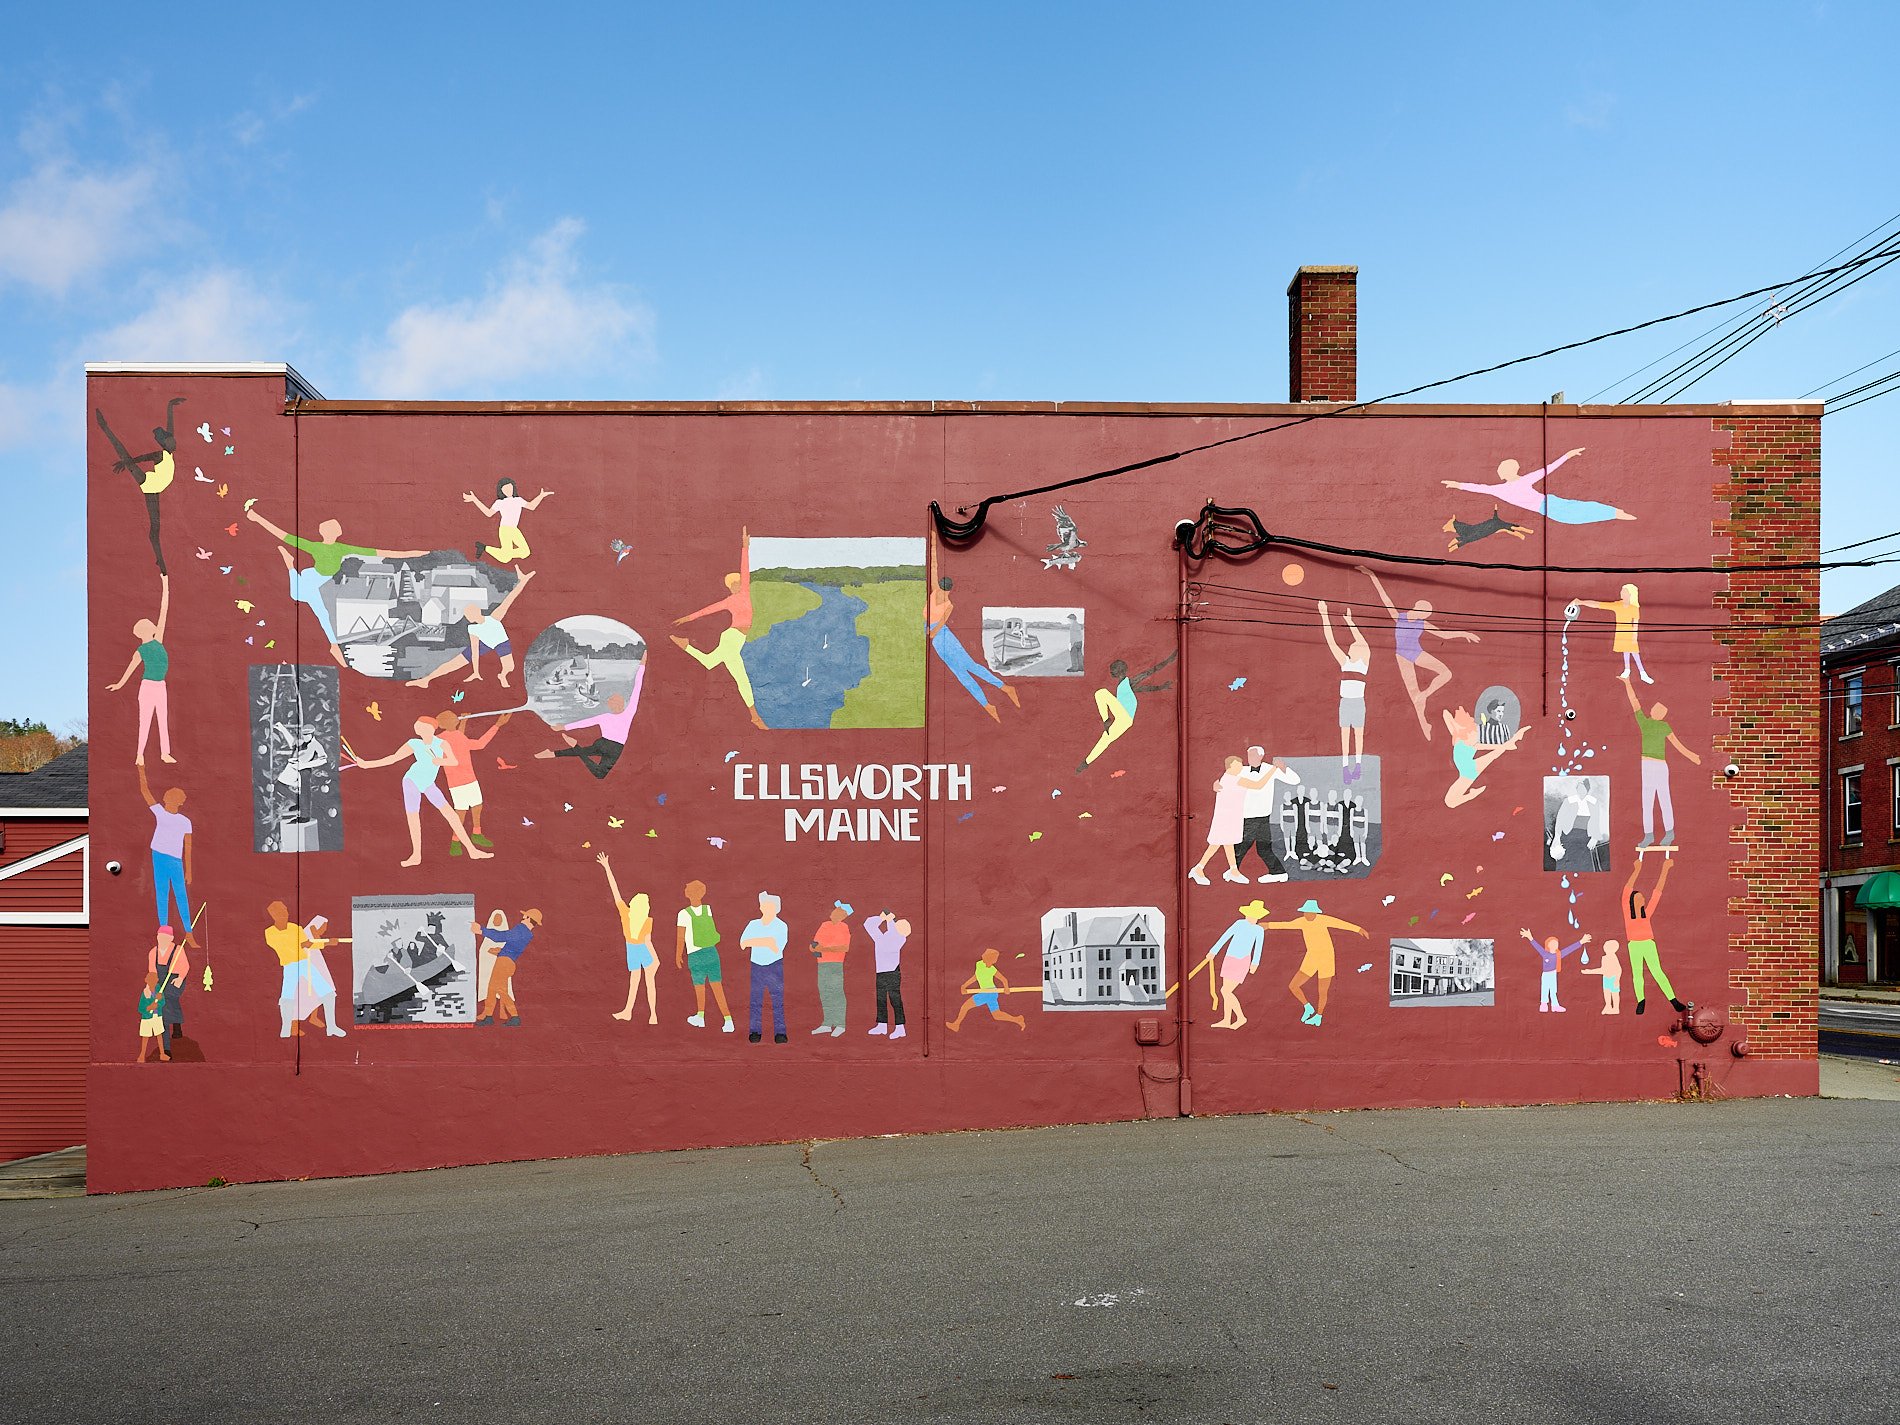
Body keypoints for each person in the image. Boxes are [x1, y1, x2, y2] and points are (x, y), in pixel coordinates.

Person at [244, 502, 430, 668]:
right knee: (311, 605)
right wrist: (257, 518)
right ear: (326, 532)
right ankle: (290, 565)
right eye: (333, 529)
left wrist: (413, 554)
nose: (336, 531)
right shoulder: (317, 547)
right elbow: (284, 536)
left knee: (320, 609)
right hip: (313, 581)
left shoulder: (342, 549)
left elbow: (381, 552)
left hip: (321, 583)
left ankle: (334, 646)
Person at [1357, 566, 1479, 740]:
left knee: (1446, 673)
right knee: (1413, 694)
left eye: (1426, 615)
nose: (1424, 617)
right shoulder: (1399, 616)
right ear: (1417, 608)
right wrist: (1373, 575)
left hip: (1417, 653)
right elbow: (1385, 598)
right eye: (1424, 613)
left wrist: (1464, 633)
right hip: (1402, 657)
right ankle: (1423, 722)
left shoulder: (1423, 623)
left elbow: (1443, 634)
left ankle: (1425, 695)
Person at [351, 717, 492, 866]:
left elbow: (453, 761)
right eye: (417, 726)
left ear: (431, 729)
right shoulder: (414, 744)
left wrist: (440, 761)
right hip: (411, 781)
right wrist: (367, 765)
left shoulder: (442, 744)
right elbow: (393, 758)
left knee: (451, 815)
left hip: (428, 783)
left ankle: (472, 850)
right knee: (413, 817)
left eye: (421, 726)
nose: (417, 728)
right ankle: (416, 856)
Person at [671, 525, 767, 730]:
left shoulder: (744, 594)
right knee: (741, 678)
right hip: (732, 638)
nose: (737, 585)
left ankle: (685, 645)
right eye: (734, 584)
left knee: (709, 663)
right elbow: (707, 610)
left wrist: (745, 546)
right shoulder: (730, 601)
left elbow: (745, 568)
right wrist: (688, 618)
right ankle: (755, 717)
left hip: (736, 639)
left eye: (739, 582)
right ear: (730, 587)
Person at [926, 535, 1020, 720]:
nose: (942, 594)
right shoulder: (937, 594)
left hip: (943, 637)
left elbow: (940, 626)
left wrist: (930, 633)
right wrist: (933, 543)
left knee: (969, 666)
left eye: (944, 592)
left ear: (947, 591)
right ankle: (987, 705)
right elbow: (934, 566)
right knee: (961, 674)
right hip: (937, 639)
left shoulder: (948, 604)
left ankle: (1004, 687)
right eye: (942, 591)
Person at [95, 397, 184, 573]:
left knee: (155, 527)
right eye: (171, 441)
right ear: (164, 443)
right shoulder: (160, 454)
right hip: (150, 484)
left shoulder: (168, 451)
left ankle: (160, 560)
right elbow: (140, 458)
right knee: (124, 454)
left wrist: (169, 406)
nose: (175, 442)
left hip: (156, 486)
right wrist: (125, 463)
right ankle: (105, 427)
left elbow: (170, 426)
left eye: (173, 440)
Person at [406, 570, 537, 688]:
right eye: (466, 614)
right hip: (485, 644)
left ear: (477, 612)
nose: (467, 616)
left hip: (501, 642)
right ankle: (427, 680)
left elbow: (510, 599)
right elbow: (474, 651)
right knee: (454, 663)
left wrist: (523, 581)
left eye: (468, 613)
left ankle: (502, 676)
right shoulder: (473, 629)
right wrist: (475, 671)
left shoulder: (494, 617)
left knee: (509, 668)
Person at [1441, 446, 1634, 525]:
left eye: (1502, 469)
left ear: (1509, 471)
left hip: (1553, 505)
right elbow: (1479, 487)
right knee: (1578, 516)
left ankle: (1616, 513)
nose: (1500, 472)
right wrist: (1457, 484)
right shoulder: (1500, 489)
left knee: (1583, 509)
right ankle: (1615, 513)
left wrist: (1567, 455)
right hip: (1550, 510)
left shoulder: (1519, 482)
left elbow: (1547, 469)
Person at [536, 654, 646, 780]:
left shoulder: (606, 716)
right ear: (619, 704)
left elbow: (585, 722)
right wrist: (642, 665)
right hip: (615, 748)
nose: (618, 703)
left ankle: (553, 754)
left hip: (602, 743)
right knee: (599, 774)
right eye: (616, 701)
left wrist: (563, 727)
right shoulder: (629, 712)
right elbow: (638, 687)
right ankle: (573, 746)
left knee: (586, 752)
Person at [106, 573, 175, 764]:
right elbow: (130, 669)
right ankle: (139, 755)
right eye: (152, 625)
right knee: (145, 721)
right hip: (148, 687)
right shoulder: (141, 650)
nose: (155, 625)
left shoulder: (158, 640)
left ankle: (164, 753)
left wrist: (165, 583)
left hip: (161, 686)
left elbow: (164, 609)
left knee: (163, 719)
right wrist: (119, 685)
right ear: (146, 630)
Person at [1623, 679, 1701, 847]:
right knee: (1648, 801)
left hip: (1659, 765)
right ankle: (1649, 835)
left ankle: (1669, 833)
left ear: (1661, 714)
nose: (1656, 709)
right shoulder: (1645, 723)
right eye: (1656, 707)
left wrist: (1692, 756)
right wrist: (1627, 683)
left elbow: (1677, 744)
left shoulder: (1663, 726)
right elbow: (1634, 701)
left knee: (1663, 798)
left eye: (1659, 709)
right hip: (1647, 765)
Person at [1267, 900, 1368, 1028]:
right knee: (1293, 985)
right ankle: (1308, 1007)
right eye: (1305, 912)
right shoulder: (1301, 922)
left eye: (1309, 912)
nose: (1306, 915)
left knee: (1322, 991)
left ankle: (1318, 1016)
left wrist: (1358, 929)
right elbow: (1286, 925)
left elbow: (1339, 924)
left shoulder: (1323, 920)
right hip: (1311, 958)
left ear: (1315, 913)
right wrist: (1268, 925)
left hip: (1326, 959)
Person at [1077, 652, 1176, 772]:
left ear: (1119, 671)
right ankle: (1086, 763)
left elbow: (1150, 672)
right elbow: (1145, 688)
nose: (1111, 672)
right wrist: (1161, 687)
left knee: (1101, 693)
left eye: (1113, 670)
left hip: (1124, 715)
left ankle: (1106, 720)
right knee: (1105, 739)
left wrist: (1169, 660)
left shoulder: (1128, 682)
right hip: (1125, 721)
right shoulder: (1125, 686)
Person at [434, 710, 510, 853]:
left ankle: (476, 834)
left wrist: (464, 722)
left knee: (476, 806)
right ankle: (455, 842)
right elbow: (479, 744)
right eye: (453, 716)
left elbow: (458, 738)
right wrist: (497, 725)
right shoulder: (440, 740)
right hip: (458, 782)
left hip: (468, 779)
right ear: (447, 722)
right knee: (461, 812)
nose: (456, 716)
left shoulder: (452, 736)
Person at [136, 764, 196, 947]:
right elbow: (145, 791)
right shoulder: (160, 813)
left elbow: (188, 847)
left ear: (178, 801)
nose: (166, 800)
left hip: (175, 861)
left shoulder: (185, 822)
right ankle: (163, 931)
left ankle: (188, 932)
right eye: (167, 797)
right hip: (159, 856)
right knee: (162, 894)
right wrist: (141, 771)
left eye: (171, 798)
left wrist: (189, 871)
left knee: (181, 895)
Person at [1624, 857, 1690, 1017]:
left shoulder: (1646, 913)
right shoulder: (1628, 912)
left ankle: (1673, 1000)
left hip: (1648, 944)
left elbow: (1657, 892)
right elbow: (1627, 890)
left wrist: (1665, 869)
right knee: (1637, 974)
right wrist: (1637, 870)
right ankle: (1641, 1001)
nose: (1644, 899)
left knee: (1657, 971)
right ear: (1634, 901)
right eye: (1640, 898)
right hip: (1634, 945)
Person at [1190, 899, 1270, 1030]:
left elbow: (1258, 948)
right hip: (1230, 959)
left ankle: (1240, 1017)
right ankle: (1227, 1020)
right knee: (1225, 989)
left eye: (1257, 916)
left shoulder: (1258, 930)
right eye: (1252, 915)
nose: (1254, 918)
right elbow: (1225, 937)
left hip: (1242, 961)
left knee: (1225, 991)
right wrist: (1213, 952)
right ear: (1247, 914)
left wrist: (1255, 963)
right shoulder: (1239, 924)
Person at [598, 854, 657, 1025]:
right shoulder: (647, 921)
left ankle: (629, 1011)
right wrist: (655, 960)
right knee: (649, 983)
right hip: (642, 951)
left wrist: (607, 867)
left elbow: (615, 891)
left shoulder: (626, 913)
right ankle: (652, 1015)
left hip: (632, 949)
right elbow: (649, 942)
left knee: (635, 982)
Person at [1318, 600, 1371, 778]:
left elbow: (1362, 642)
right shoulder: (1345, 662)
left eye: (1354, 646)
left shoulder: (1364, 663)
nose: (1352, 646)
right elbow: (1331, 640)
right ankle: (1345, 766)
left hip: (1357, 702)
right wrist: (1324, 615)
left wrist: (1350, 622)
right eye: (1352, 646)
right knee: (1344, 734)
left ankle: (1357, 764)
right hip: (1346, 702)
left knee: (1358, 734)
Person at [1233, 746, 1299, 883]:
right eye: (1248, 755)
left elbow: (1295, 780)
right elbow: (1230, 780)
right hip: (1247, 816)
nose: (1250, 758)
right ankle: (1277, 872)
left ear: (1261, 756)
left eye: (1252, 755)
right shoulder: (1243, 771)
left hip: (1262, 816)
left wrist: (1284, 768)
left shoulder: (1270, 769)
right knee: (1246, 846)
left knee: (1252, 847)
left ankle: (1277, 873)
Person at [676, 880, 735, 1032]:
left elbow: (680, 938)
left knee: (699, 986)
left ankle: (700, 1017)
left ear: (689, 893)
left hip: (696, 955)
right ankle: (728, 1020)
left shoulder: (683, 914)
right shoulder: (707, 909)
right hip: (712, 952)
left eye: (687, 888)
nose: (685, 890)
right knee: (717, 986)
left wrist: (678, 955)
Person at [1443, 705, 1527, 808]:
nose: (1476, 736)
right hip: (1468, 769)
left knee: (1450, 802)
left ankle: (1472, 794)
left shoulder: (1466, 740)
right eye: (1474, 733)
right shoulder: (1460, 737)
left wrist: (1506, 745)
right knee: (1494, 754)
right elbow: (1446, 714)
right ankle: (1472, 794)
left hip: (1468, 770)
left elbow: (1446, 714)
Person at [264, 900, 325, 1038]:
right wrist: (305, 944)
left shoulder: (295, 928)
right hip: (290, 966)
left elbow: (306, 945)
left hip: (304, 964)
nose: (285, 913)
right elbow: (285, 946)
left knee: (320, 991)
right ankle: (291, 1027)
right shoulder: (270, 933)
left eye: (285, 910)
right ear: (273, 914)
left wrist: (322, 943)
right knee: (290, 997)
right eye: (281, 911)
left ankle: (315, 1021)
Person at [1188, 756, 1253, 886]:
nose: (1241, 766)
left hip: (1229, 816)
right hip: (1226, 817)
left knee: (1227, 843)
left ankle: (1233, 870)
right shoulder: (1235, 779)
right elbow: (1258, 784)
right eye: (1238, 765)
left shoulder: (1229, 777)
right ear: (1230, 766)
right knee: (1217, 843)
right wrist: (1272, 771)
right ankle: (1199, 868)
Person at [465, 477, 552, 566]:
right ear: (501, 490)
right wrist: (475, 500)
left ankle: (484, 548)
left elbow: (531, 506)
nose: (508, 490)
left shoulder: (518, 500)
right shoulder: (499, 502)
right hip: (505, 530)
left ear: (513, 488)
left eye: (510, 488)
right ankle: (485, 548)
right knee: (506, 558)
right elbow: (488, 513)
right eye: (505, 488)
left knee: (525, 552)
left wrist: (541, 496)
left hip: (514, 529)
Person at [474, 908, 542, 1025]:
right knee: (502, 991)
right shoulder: (527, 935)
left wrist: (481, 930)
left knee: (492, 989)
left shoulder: (521, 929)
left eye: (525, 916)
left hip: (503, 963)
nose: (522, 918)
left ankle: (489, 1017)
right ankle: (514, 1017)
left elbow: (502, 936)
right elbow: (513, 948)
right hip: (509, 963)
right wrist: (499, 951)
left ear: (529, 919)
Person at [1575, 583, 1651, 682]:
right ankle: (1627, 670)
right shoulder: (1617, 605)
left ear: (1629, 594)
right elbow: (1598, 605)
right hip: (1620, 633)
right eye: (1622, 590)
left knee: (1635, 653)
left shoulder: (1634, 608)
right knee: (1625, 651)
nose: (1621, 593)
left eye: (1624, 591)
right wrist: (1581, 602)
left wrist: (1634, 638)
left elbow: (1635, 624)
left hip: (1629, 634)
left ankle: (1642, 673)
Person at [741, 892, 790, 1043]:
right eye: (764, 905)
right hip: (756, 965)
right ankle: (755, 1032)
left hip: (774, 966)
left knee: (777, 1000)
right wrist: (767, 940)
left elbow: (776, 948)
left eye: (769, 905)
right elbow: (743, 943)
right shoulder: (753, 924)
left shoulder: (781, 925)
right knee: (755, 1000)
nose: (765, 908)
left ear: (777, 908)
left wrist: (756, 941)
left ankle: (780, 1033)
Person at [946, 948, 1027, 1032]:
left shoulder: (992, 969)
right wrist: (964, 985)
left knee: (965, 1006)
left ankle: (956, 1025)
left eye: (994, 961)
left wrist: (1006, 988)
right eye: (992, 960)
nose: (993, 962)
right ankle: (1017, 1019)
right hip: (989, 993)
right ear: (986, 957)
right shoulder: (979, 964)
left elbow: (1004, 979)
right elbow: (976, 977)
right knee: (997, 1015)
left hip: (989, 993)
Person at [1518, 928, 1590, 1012]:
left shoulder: (1558, 955)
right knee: (1545, 989)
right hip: (1545, 974)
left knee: (1553, 990)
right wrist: (1530, 937)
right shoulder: (1545, 953)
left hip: (1553, 974)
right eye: (1552, 943)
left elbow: (1570, 949)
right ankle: (1543, 1005)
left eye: (1556, 943)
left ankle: (1555, 1006)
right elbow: (1537, 947)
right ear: (1548, 945)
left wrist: (1581, 941)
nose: (1555, 945)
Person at [299, 914, 349, 1037]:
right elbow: (310, 944)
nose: (324, 930)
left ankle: (316, 1019)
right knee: (327, 994)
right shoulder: (306, 935)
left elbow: (315, 942)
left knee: (321, 995)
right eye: (323, 927)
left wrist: (328, 942)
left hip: (314, 969)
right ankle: (330, 1026)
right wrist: (329, 943)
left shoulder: (309, 935)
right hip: (310, 971)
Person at [809, 901, 853, 1036]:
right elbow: (815, 943)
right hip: (822, 963)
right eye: (835, 909)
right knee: (825, 993)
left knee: (837, 993)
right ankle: (827, 1023)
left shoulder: (844, 927)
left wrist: (825, 949)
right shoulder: (824, 925)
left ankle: (840, 1025)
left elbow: (844, 947)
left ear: (843, 915)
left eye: (837, 910)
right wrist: (813, 948)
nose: (833, 911)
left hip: (835, 964)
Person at [864, 910, 910, 1038]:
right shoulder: (882, 938)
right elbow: (868, 924)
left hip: (892, 972)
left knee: (895, 1000)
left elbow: (893, 930)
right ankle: (882, 1025)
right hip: (881, 972)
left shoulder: (900, 939)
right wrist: (881, 918)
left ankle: (900, 1028)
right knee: (881, 999)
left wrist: (889, 919)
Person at [146, 924, 190, 1054]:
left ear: (171, 938)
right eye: (159, 936)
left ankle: (167, 1047)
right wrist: (151, 986)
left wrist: (180, 978)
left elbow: (185, 966)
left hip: (175, 980)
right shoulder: (153, 952)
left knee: (167, 1000)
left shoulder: (178, 950)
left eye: (165, 937)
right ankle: (174, 1032)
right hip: (160, 982)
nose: (161, 939)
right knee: (163, 1006)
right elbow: (152, 971)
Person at [1548, 777, 1606, 866]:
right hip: (1568, 836)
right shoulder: (1568, 801)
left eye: (1583, 788)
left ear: (1588, 789)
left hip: (1585, 838)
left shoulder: (1593, 802)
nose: (1581, 790)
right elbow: (1560, 820)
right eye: (1579, 788)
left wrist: (1594, 838)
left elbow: (1596, 822)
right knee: (1566, 865)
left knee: (1585, 864)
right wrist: (1557, 837)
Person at [1442, 506, 1532, 552]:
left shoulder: (1497, 523)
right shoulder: (1498, 523)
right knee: (1509, 527)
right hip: (1484, 528)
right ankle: (1524, 533)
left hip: (1487, 526)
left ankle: (1527, 531)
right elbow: (1464, 539)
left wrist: (1453, 547)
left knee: (1510, 527)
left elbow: (1465, 540)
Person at [1580, 939, 1623, 1014]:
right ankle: (1608, 1006)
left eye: (1607, 946)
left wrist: (1617, 979)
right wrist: (1589, 971)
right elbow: (1604, 970)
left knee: (1614, 994)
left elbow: (1618, 969)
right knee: (1606, 993)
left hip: (1613, 978)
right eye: (1605, 946)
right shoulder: (1605, 958)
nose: (1605, 947)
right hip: (1606, 978)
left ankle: (1616, 1008)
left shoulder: (1613, 957)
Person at [137, 972, 169, 1063]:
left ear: (157, 980)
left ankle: (162, 1054)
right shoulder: (145, 993)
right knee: (145, 1036)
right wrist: (149, 1008)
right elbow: (140, 1008)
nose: (152, 982)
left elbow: (162, 1002)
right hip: (147, 1018)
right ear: (146, 980)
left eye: (154, 980)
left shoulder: (159, 990)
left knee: (159, 1035)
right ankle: (142, 1055)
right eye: (150, 980)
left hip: (157, 1016)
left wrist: (158, 1002)